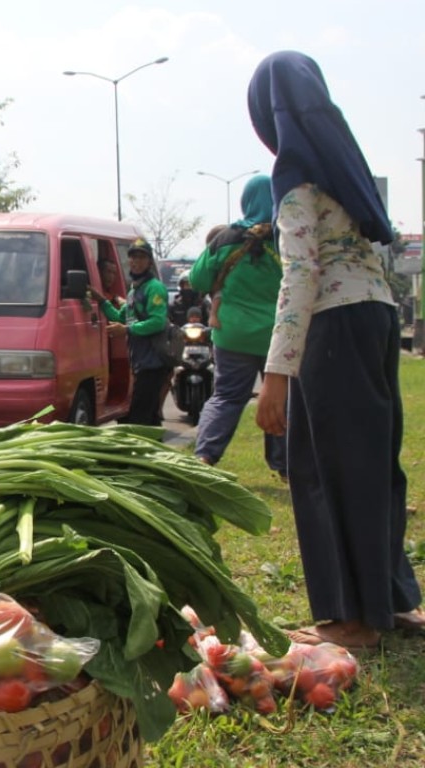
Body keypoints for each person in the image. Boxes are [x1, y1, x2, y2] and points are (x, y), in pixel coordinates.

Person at [248, 50, 425, 649]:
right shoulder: (348, 175)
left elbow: (301, 276)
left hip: (333, 328)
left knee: (324, 473)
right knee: (373, 464)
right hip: (375, 320)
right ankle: (392, 600)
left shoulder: (296, 180)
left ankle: (349, 618)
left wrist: (275, 374)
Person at [189, 174, 287, 478]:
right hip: (279, 335)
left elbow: (198, 280)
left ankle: (204, 458)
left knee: (226, 397)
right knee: (283, 398)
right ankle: (285, 467)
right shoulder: (287, 235)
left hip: (232, 335)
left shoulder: (225, 238)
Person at [95, 238, 172, 426]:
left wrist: (127, 330)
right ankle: (158, 453)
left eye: (141, 258)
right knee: (150, 417)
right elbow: (121, 317)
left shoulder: (154, 288)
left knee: (139, 417)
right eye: (133, 257)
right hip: (141, 363)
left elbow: (157, 322)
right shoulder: (133, 291)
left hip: (154, 363)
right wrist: (102, 301)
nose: (136, 262)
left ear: (149, 262)